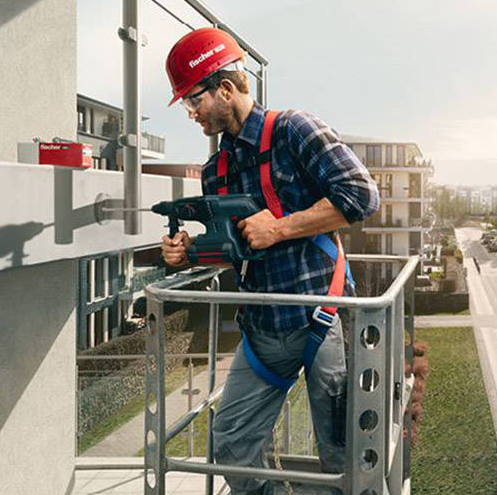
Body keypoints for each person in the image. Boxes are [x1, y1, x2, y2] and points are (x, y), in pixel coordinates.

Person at [161, 28, 379, 494]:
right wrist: (185, 257)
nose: (192, 112)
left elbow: (361, 196)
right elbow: (233, 250)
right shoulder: (214, 169)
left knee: (340, 452)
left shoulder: (294, 130)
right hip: (261, 329)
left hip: (321, 320)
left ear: (224, 88)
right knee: (232, 445)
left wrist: (278, 227)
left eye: (193, 100)